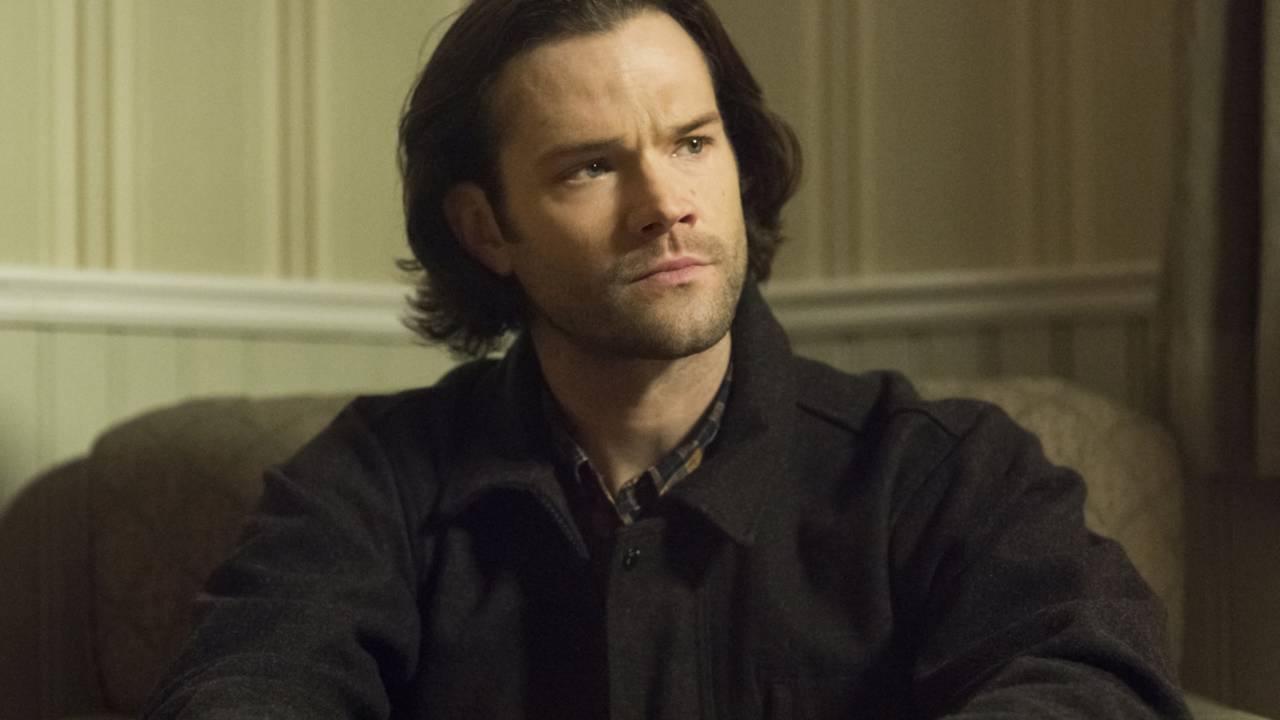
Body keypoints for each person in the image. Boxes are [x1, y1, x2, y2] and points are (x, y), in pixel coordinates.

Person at [143, 0, 1192, 718]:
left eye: (691, 142)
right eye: (591, 167)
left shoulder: (939, 470)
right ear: (485, 228)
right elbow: (252, 683)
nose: (665, 205)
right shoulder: (370, 481)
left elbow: (1093, 678)